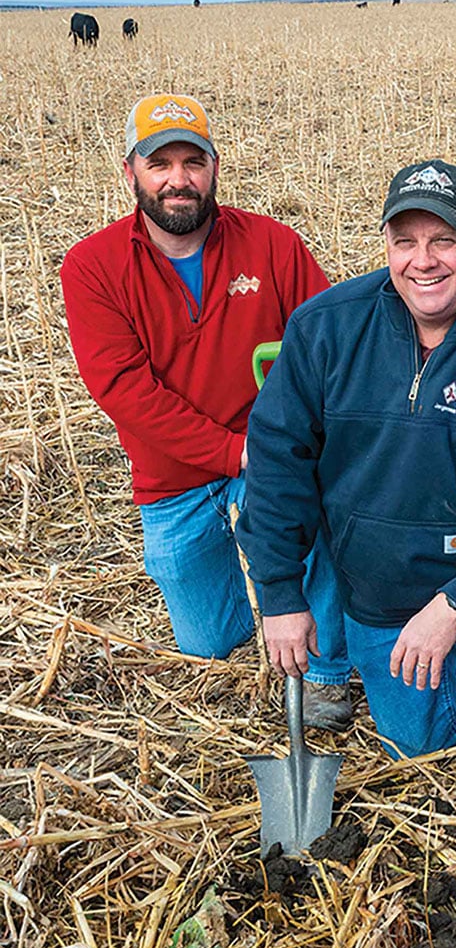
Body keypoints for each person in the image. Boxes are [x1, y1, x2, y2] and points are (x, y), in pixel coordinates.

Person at [237, 160, 456, 859]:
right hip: (379, 582)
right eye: (405, 241)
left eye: (444, 239)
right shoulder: (325, 329)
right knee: (419, 744)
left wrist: (455, 605)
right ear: (387, 247)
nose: (423, 260)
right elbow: (277, 464)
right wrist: (280, 593)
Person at [61, 92, 353, 728]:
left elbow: (327, 349)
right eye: (159, 163)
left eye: (192, 161)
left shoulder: (274, 246)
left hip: (271, 457)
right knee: (208, 648)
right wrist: (231, 451)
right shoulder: (93, 267)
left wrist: (278, 448)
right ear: (130, 171)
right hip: (173, 478)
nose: (177, 179)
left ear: (215, 167)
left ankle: (327, 670)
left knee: (320, 525)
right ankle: (251, 644)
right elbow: (123, 389)